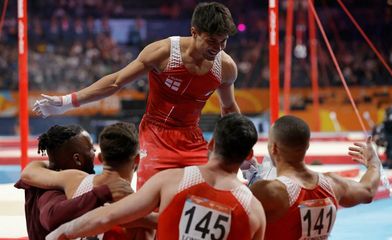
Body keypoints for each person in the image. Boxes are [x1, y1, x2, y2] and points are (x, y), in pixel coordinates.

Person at [33, 2, 240, 189]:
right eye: (212, 41)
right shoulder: (163, 52)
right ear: (194, 32)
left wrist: (244, 152)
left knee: (207, 195)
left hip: (192, 138)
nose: (218, 48)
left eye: (223, 42)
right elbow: (116, 81)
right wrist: (68, 101)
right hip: (155, 134)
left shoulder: (226, 67)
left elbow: (229, 108)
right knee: (150, 199)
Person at [46, 113, 266, 240]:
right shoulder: (254, 210)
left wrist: (60, 234)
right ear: (249, 155)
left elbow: (108, 217)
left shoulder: (171, 180)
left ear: (211, 143)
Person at [250, 115, 381, 240]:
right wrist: (374, 163)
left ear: (273, 148)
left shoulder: (268, 191)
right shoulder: (333, 184)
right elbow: (368, 190)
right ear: (307, 146)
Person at [21, 122, 148, 239]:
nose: (93, 152)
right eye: (91, 148)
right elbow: (51, 217)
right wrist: (102, 193)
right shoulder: (60, 185)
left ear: (101, 157)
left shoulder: (61, 177)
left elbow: (28, 172)